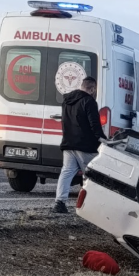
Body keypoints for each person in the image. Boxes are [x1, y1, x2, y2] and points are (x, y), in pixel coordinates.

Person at [53, 77, 105, 214]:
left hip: (68, 143)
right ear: (92, 89)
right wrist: (103, 140)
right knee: (92, 175)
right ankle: (91, 206)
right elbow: (94, 125)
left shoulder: (67, 101)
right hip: (86, 146)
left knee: (66, 172)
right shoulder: (89, 101)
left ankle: (60, 202)